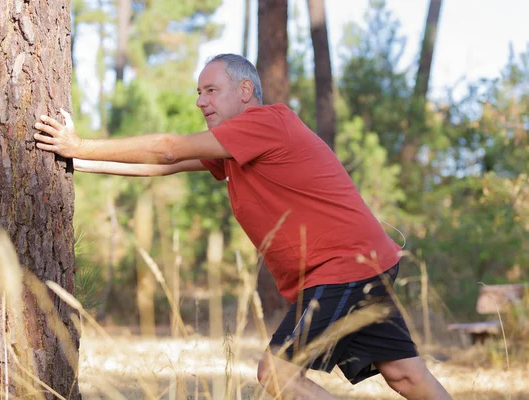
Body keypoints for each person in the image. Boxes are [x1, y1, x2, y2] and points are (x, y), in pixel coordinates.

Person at [34, 53, 451, 400]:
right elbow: (168, 166)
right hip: (362, 264)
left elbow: (167, 149)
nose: (200, 101)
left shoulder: (268, 123)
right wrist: (75, 161)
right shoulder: (237, 147)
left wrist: (79, 144)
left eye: (210, 90)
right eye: (198, 92)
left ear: (245, 90)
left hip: (344, 267)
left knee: (277, 373)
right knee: (406, 375)